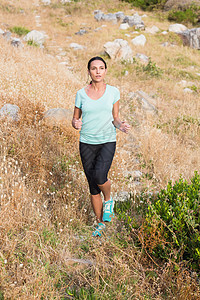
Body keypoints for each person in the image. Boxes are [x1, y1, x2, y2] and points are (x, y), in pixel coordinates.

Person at [72, 56, 130, 237]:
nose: (98, 71)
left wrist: (120, 125)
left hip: (107, 140)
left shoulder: (113, 92)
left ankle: (109, 200)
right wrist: (75, 123)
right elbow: (75, 118)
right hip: (86, 142)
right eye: (94, 68)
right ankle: (100, 224)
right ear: (88, 71)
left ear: (105, 71)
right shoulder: (81, 93)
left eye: (101, 68)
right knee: (92, 185)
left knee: (99, 175)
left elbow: (115, 117)